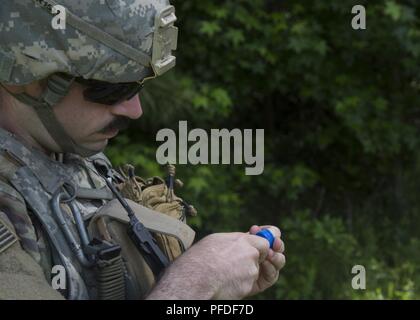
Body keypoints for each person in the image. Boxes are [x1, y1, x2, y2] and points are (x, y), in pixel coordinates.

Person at [0, 0, 285, 300]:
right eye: (113, 89)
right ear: (27, 77)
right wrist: (196, 282)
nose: (134, 110)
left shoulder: (71, 155)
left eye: (137, 87)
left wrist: (216, 282)